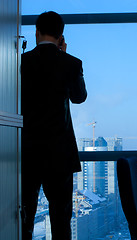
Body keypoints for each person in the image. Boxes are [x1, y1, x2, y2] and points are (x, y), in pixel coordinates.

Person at [21, 11, 87, 240]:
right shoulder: (71, 63)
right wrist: (64, 56)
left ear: (36, 32)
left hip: (26, 152)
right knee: (61, 220)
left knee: (23, 218)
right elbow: (79, 97)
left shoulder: (21, 63)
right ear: (61, 36)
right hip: (60, 154)